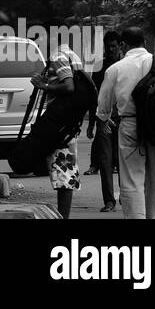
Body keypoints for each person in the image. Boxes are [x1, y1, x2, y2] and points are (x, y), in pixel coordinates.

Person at [95, 27, 155, 220]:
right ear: (145, 42)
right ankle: (151, 216)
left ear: (123, 45)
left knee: (132, 179)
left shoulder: (115, 69)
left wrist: (104, 119)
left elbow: (104, 105)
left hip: (129, 124)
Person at [28, 45, 84, 219]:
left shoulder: (59, 56)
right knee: (64, 173)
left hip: (60, 123)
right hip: (68, 120)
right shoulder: (73, 55)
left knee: (63, 175)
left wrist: (43, 85)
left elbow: (69, 87)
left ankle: (63, 217)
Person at [85, 31, 122, 212]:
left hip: (124, 119)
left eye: (114, 46)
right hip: (103, 118)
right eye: (108, 46)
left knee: (123, 160)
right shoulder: (99, 66)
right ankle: (109, 201)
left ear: (120, 45)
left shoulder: (127, 65)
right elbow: (94, 97)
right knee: (105, 160)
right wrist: (91, 123)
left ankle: (126, 195)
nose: (110, 49)